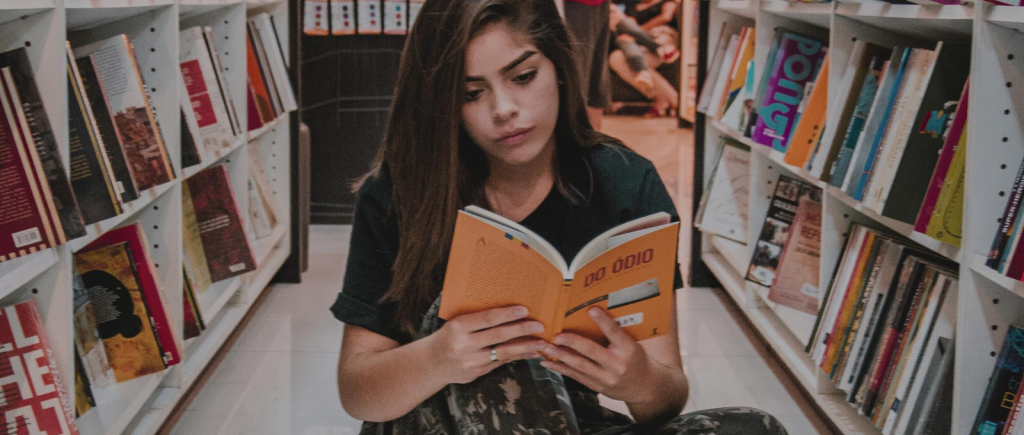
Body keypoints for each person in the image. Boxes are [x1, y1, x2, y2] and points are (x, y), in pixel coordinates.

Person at [330, 0, 790, 434]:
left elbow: (667, 397)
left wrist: (636, 379)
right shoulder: (399, 192)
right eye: (471, 93)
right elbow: (357, 392)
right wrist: (439, 358)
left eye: (524, 76)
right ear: (443, 104)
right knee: (500, 349)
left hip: (566, 422)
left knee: (753, 428)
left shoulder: (626, 183)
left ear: (559, 67)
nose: (504, 109)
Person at [607, 0, 681, 116]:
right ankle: (665, 96)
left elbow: (665, 17)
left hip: (662, 36)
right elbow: (629, 23)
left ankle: (674, 100)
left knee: (630, 59)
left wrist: (638, 32)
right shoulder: (634, 5)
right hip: (638, 44)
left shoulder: (667, 1)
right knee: (615, 58)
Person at [562, 0, 612, 130]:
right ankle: (577, 142)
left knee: (597, 77)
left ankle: (594, 144)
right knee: (579, 77)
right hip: (575, 5)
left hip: (600, 4)